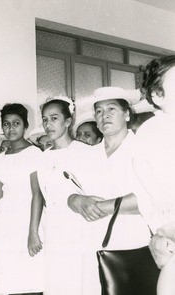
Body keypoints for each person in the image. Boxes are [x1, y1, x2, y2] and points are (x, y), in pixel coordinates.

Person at [67, 87, 150, 294]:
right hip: (89, 243)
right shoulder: (86, 155)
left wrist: (102, 206)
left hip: (133, 243)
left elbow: (152, 196)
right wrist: (77, 200)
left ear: (127, 114)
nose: (104, 116)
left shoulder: (144, 148)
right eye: (99, 111)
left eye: (111, 109)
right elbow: (67, 192)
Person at [32, 97, 98, 294]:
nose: (48, 125)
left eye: (54, 118)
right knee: (57, 283)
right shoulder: (43, 157)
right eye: (45, 120)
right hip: (52, 229)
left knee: (80, 283)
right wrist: (34, 231)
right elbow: (40, 196)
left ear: (68, 121)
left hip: (79, 229)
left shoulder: (86, 153)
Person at [0, 103, 44, 295]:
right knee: (6, 281)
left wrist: (33, 232)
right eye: (7, 124)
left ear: (26, 125)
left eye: (16, 123)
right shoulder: (1, 157)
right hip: (4, 222)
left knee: (28, 279)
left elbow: (37, 193)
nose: (11, 128)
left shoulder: (34, 153)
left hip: (26, 218)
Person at [132, 55, 175, 295]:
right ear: (158, 96)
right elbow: (140, 164)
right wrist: (158, 195)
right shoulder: (154, 127)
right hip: (167, 208)